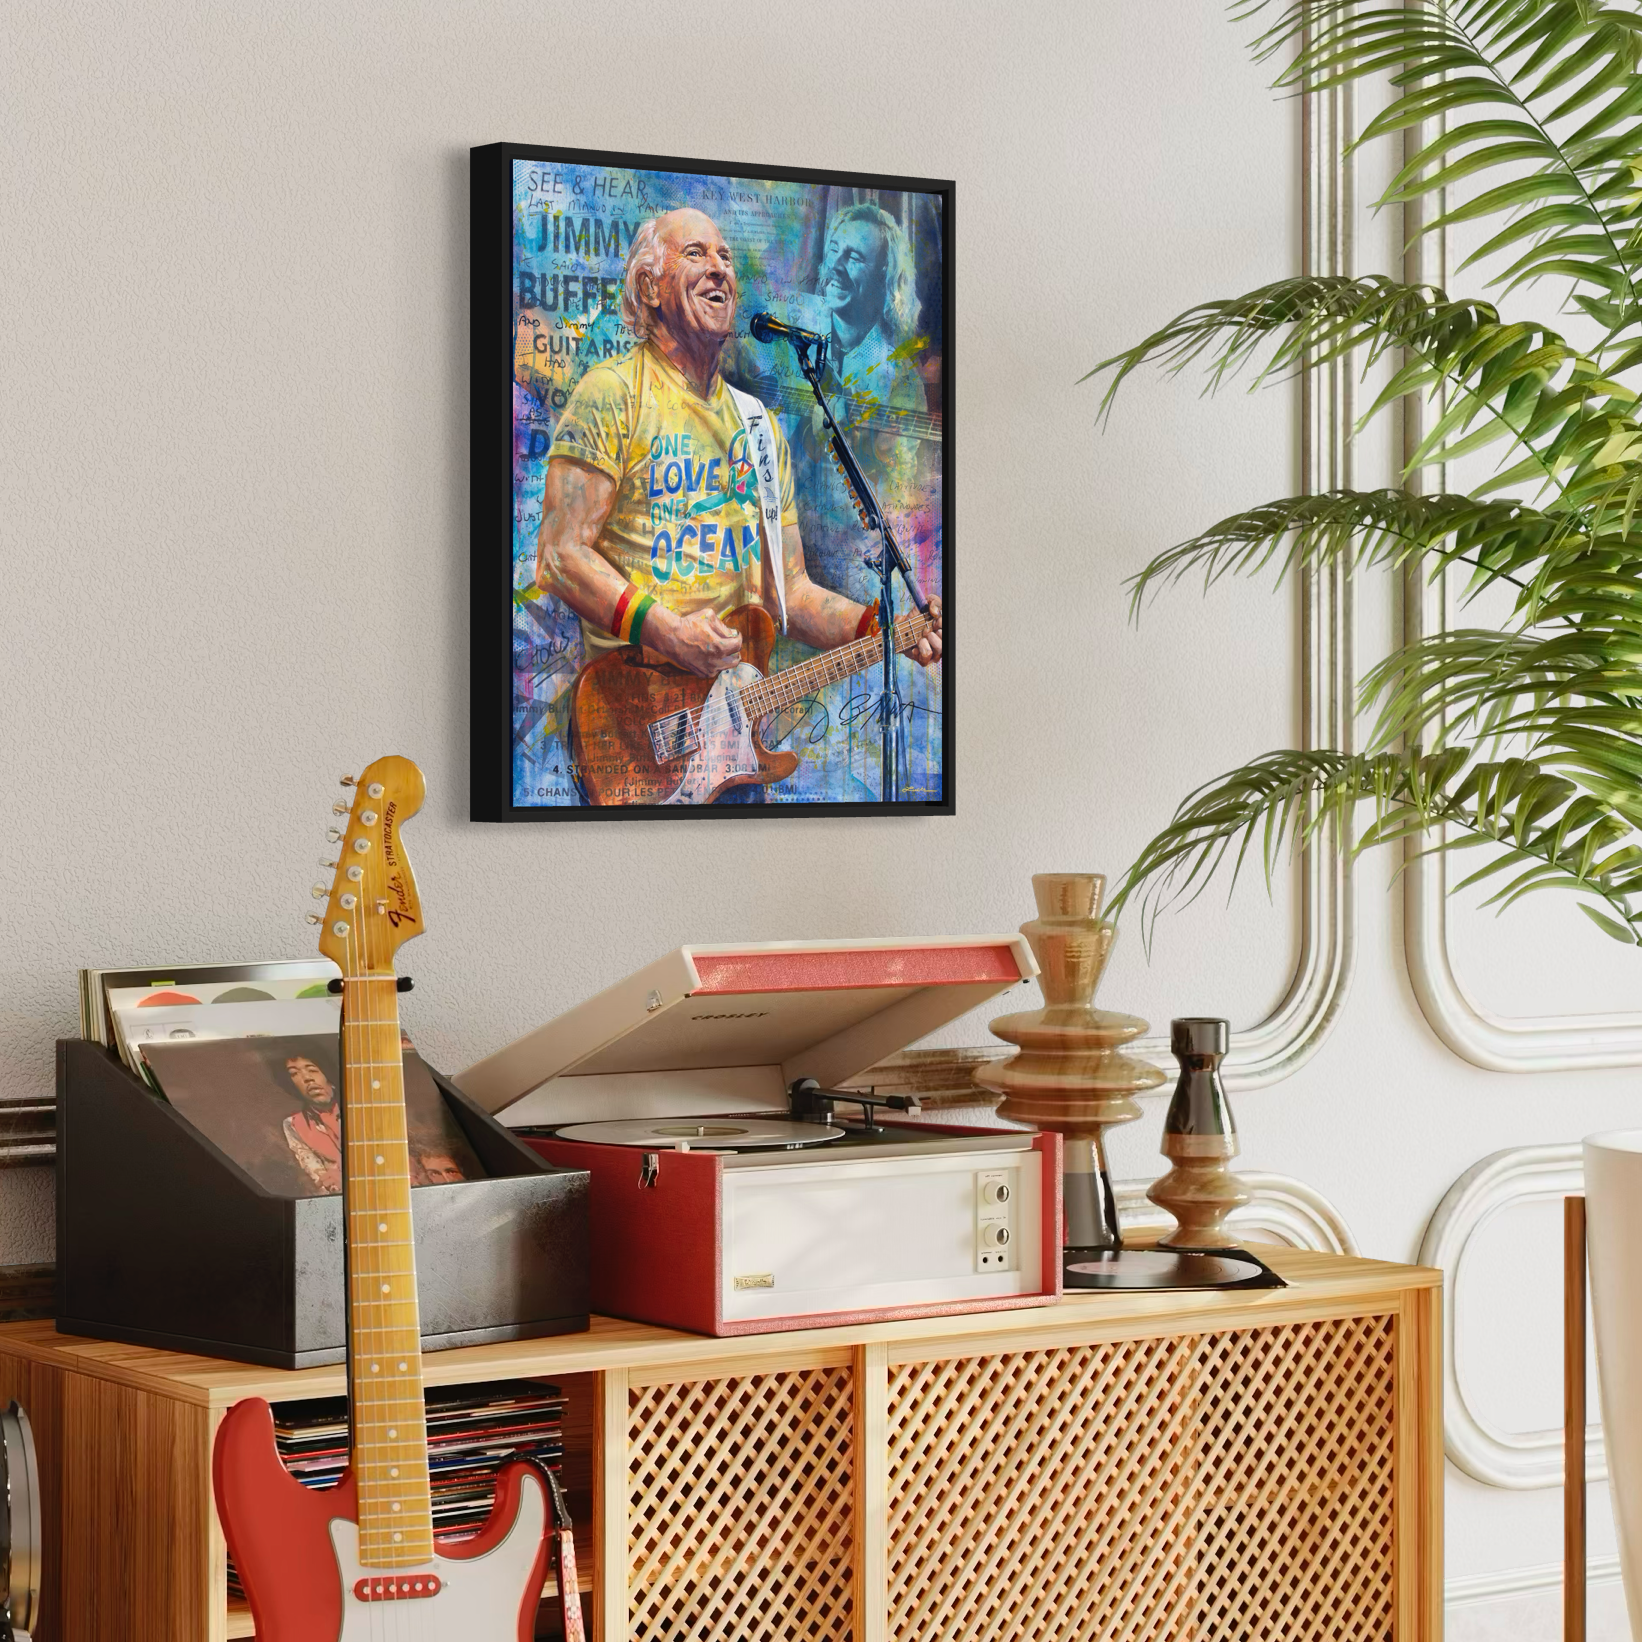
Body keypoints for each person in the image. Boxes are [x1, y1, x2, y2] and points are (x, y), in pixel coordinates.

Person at [533, 207, 942, 795]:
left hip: (734, 740)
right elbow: (560, 555)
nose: (719, 268)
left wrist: (884, 627)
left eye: (725, 256)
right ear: (648, 287)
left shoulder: (760, 428)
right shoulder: (613, 393)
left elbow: (792, 594)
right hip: (635, 725)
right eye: (695, 253)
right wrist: (669, 632)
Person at [281, 1054, 343, 1194]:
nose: (307, 1078)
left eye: (312, 1069)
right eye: (294, 1073)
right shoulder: (294, 1124)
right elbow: (320, 1179)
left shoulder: (362, 1108)